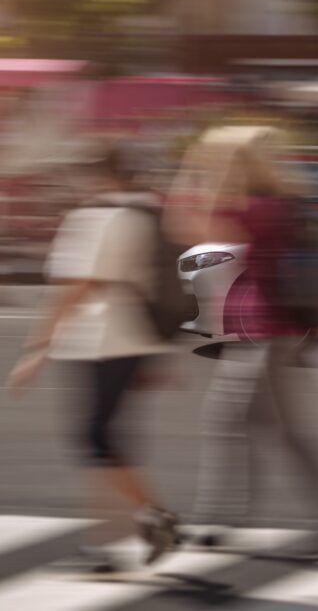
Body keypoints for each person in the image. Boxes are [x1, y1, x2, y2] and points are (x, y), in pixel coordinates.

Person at [164, 126, 318, 549]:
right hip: (270, 332)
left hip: (263, 333)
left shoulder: (260, 209)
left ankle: (216, 520)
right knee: (281, 430)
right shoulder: (279, 205)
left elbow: (182, 225)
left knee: (225, 423)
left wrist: (191, 171)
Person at [6, 147, 179, 573]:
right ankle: (106, 541)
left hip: (101, 339)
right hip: (138, 337)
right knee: (105, 442)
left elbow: (72, 288)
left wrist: (36, 350)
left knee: (96, 439)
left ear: (93, 175)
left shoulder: (94, 218)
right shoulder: (149, 213)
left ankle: (152, 517)